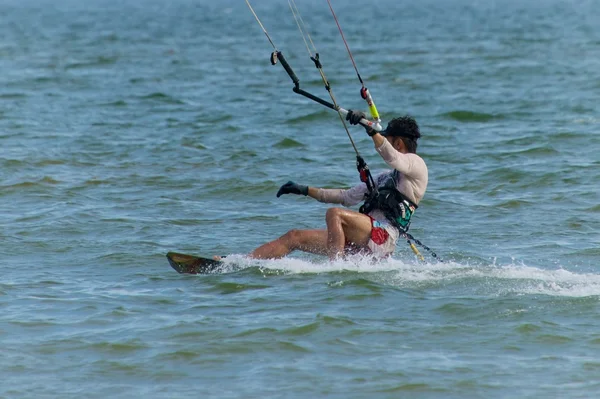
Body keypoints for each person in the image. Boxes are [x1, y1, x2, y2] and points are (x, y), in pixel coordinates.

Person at [248, 111, 428, 260]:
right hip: (363, 235)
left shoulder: (417, 165)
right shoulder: (385, 178)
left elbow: (394, 158)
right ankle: (243, 263)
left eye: (386, 139)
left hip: (383, 237)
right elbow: (345, 196)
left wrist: (372, 132)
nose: (383, 141)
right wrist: (304, 190)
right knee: (294, 236)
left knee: (335, 214)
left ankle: (336, 268)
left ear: (398, 143)